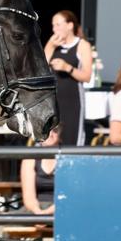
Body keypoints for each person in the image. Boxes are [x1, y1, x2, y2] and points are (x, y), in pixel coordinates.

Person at [44, 10, 92, 146]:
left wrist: (67, 68)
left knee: (72, 139)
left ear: (70, 25)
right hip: (53, 100)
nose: (54, 29)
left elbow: (87, 76)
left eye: (58, 25)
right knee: (50, 139)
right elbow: (40, 69)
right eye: (53, 25)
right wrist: (50, 46)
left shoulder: (82, 45)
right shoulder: (53, 45)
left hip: (73, 100)